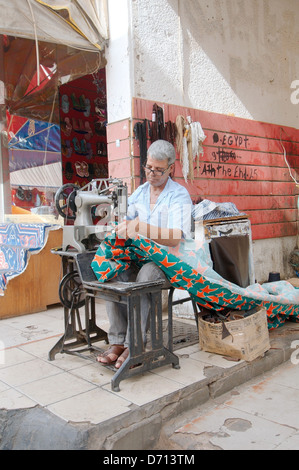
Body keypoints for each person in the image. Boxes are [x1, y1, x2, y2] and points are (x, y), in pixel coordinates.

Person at [97, 139, 193, 368]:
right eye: (149, 168)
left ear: (171, 168)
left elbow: (175, 237)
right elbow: (125, 220)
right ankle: (118, 341)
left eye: (159, 169)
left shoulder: (179, 196)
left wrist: (140, 227)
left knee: (147, 275)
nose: (152, 173)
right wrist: (117, 227)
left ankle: (135, 344)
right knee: (113, 269)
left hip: (168, 263)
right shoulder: (139, 194)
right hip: (139, 258)